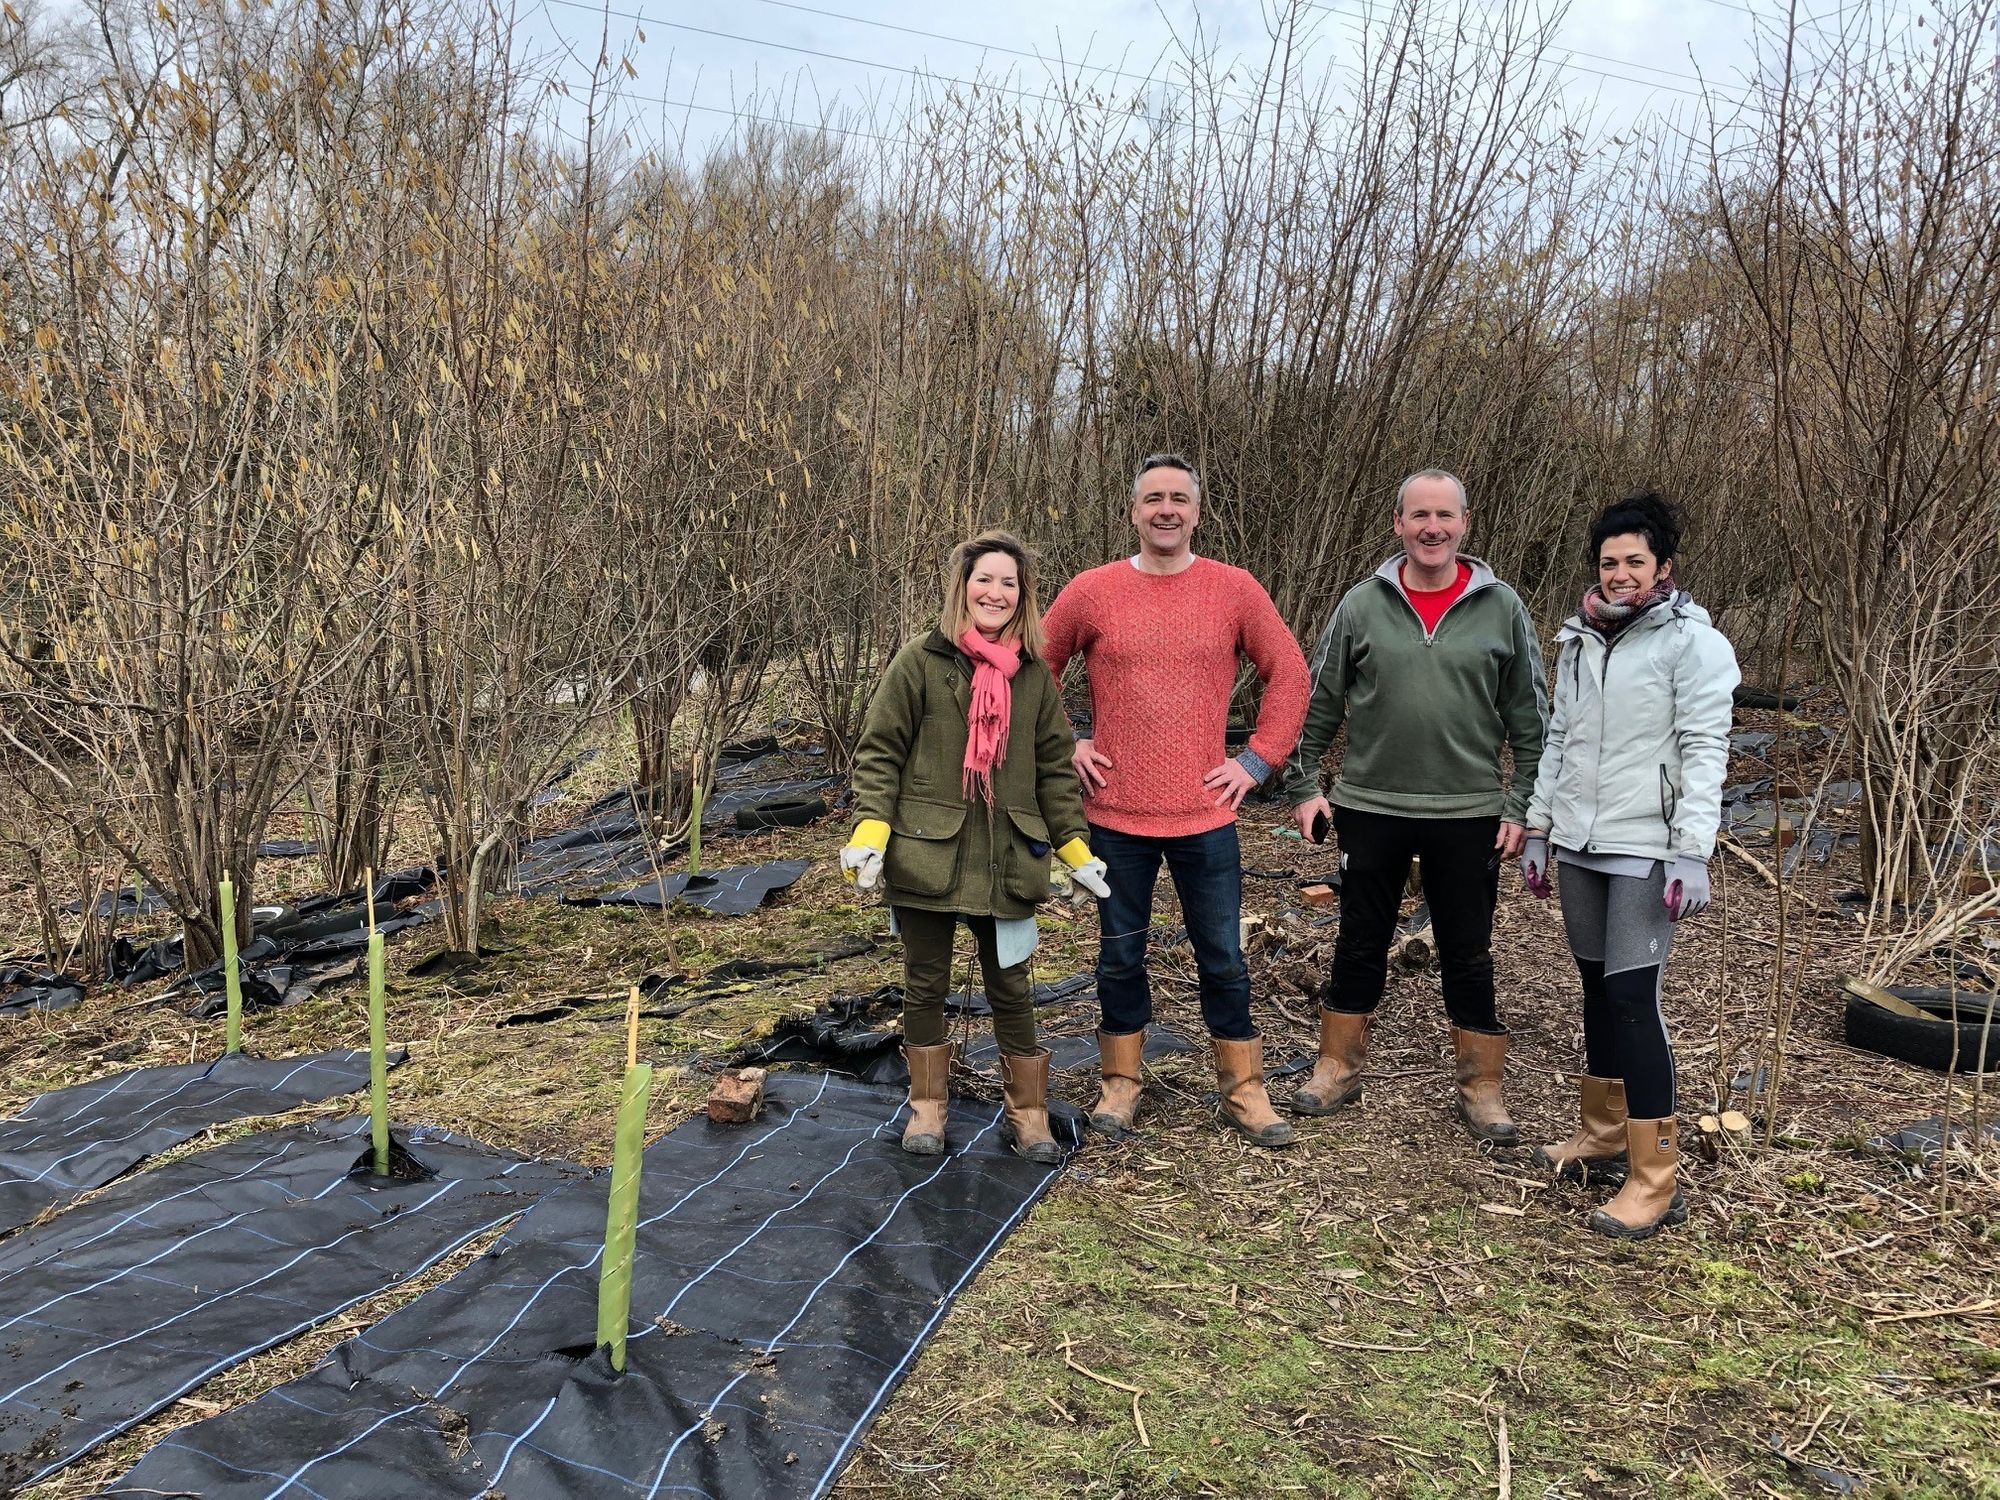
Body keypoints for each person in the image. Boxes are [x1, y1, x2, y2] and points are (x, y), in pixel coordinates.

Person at [1041, 453, 1311, 1149]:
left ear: (1196, 511)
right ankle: (1121, 1085)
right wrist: (1067, 742)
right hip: (1114, 816)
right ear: (1133, 511)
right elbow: (1033, 669)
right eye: (1153, 498)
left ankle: (1244, 1089)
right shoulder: (1092, 592)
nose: (1166, 509)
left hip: (1207, 817)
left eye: (1179, 499)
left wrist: (1256, 760)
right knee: (1118, 956)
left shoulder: (1234, 590)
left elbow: (1289, 673)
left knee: (1222, 955)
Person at [1280, 470, 1547, 1146]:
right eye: (1419, 515)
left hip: (1470, 809)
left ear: (1465, 524)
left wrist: (1522, 803)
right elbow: (1319, 702)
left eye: (1445, 516)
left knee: (1468, 950)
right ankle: (1337, 1065)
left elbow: (1531, 718)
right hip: (1371, 803)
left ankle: (1481, 1086)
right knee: (1359, 940)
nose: (1433, 528)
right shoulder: (1362, 605)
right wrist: (1305, 785)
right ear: (1398, 523)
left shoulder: (1501, 607)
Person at [841, 531, 1110, 1165]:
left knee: (1013, 987)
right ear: (962, 587)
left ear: (1023, 597)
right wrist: (872, 832)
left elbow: (1052, 768)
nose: (995, 591)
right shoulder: (920, 662)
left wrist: (1075, 847)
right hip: (927, 855)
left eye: (1009, 583)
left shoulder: (1035, 678)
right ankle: (927, 1111)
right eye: (984, 579)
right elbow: (880, 753)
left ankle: (1030, 1113)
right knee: (924, 982)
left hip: (1009, 860)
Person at [1521, 491, 1738, 1239]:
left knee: (1633, 999)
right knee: (1593, 986)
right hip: (1580, 842)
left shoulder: (1693, 646)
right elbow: (1560, 738)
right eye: (1609, 562)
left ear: (1663, 567)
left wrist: (1692, 849)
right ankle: (1604, 1134)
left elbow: (1707, 750)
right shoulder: (1579, 640)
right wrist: (1541, 827)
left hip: (1647, 848)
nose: (1619, 574)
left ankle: (1657, 1177)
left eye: (1634, 562)